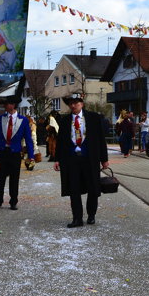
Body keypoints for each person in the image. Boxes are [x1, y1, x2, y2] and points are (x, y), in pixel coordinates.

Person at [54, 93, 109, 227]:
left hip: (90, 159)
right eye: (71, 103)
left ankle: (91, 215)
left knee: (93, 188)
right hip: (71, 160)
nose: (73, 106)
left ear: (82, 104)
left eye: (76, 103)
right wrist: (57, 159)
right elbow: (60, 142)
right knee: (74, 189)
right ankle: (77, 218)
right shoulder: (65, 121)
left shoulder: (94, 118)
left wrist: (104, 159)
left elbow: (101, 140)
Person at [0, 96, 35, 210]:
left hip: (15, 153)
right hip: (3, 152)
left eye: (6, 104)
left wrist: (31, 156)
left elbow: (28, 139)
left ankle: (13, 201)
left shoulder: (23, 120)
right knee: (0, 178)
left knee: (14, 179)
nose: (4, 106)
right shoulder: (1, 118)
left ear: (13, 105)